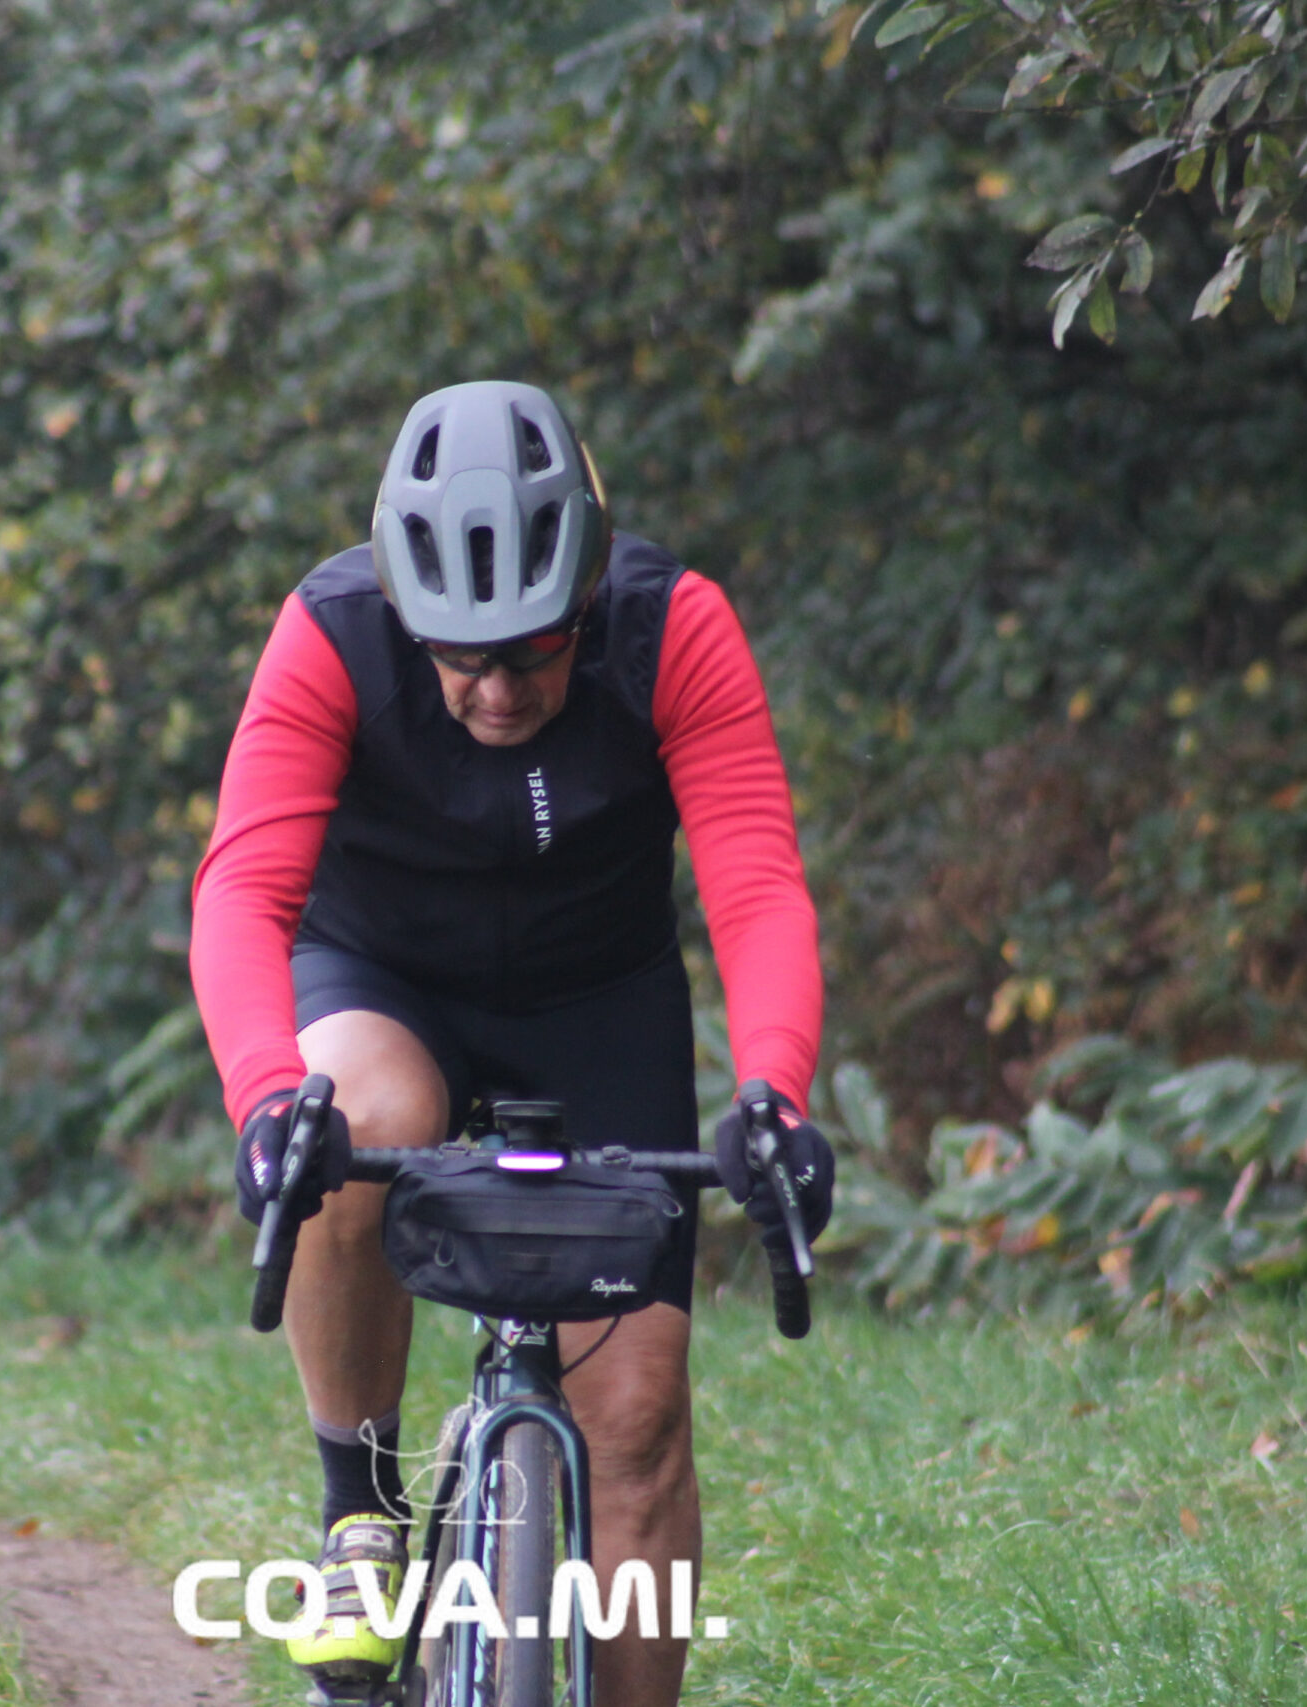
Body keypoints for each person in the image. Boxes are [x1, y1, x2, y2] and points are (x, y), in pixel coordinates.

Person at [189, 380, 832, 1707]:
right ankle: (361, 1512)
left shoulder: (672, 629)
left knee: (637, 1428)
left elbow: (757, 887)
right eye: (457, 655)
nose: (494, 690)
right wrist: (266, 1099)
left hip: (598, 1002)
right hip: (385, 978)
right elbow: (241, 893)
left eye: (532, 652)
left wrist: (775, 1092)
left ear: (587, 596)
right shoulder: (332, 632)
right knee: (357, 1123)